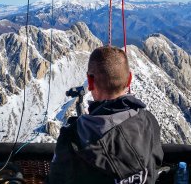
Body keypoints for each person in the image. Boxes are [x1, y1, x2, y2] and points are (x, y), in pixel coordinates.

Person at [47, 45, 163, 184]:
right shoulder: (149, 121)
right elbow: (156, 163)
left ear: (89, 82)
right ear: (129, 79)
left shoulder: (73, 137)